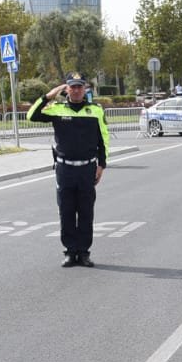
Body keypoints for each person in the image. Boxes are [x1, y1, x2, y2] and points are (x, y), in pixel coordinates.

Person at [27, 73, 111, 267]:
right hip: (65, 169)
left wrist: (102, 164)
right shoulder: (56, 109)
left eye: (79, 87)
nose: (76, 90)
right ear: (66, 89)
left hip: (87, 168)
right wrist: (49, 95)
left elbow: (103, 139)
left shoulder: (95, 111)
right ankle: (70, 252)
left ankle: (83, 253)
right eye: (72, 87)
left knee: (85, 212)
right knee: (66, 211)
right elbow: (31, 115)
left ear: (85, 89)